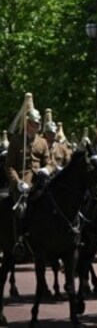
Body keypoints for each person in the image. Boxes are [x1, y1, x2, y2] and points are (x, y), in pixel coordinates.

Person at [5, 94, 54, 255]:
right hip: (22, 183)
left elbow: (49, 162)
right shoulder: (16, 141)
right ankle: (19, 240)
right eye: (34, 124)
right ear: (27, 123)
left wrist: (46, 169)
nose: (37, 127)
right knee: (21, 209)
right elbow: (9, 166)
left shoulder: (42, 142)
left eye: (38, 124)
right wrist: (17, 182)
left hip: (40, 181)